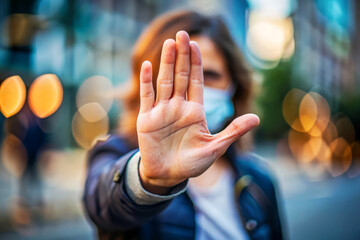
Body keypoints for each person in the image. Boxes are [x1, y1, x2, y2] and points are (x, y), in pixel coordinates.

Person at [83, 10, 284, 240]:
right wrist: (148, 180)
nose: (192, 91)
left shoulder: (260, 183)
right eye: (180, 73)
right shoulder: (115, 152)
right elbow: (101, 203)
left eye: (209, 75)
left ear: (235, 86)